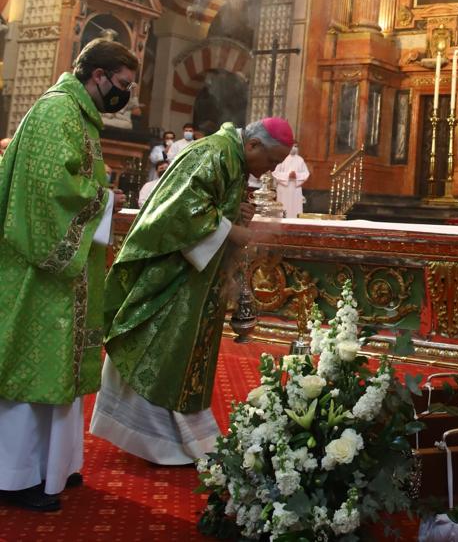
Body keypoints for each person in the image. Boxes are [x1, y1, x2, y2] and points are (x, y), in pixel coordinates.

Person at [90, 118, 293, 465]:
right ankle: (158, 439)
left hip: (195, 278)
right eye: (272, 161)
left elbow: (211, 205)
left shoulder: (233, 158)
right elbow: (181, 211)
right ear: (254, 145)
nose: (271, 170)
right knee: (161, 347)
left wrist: (236, 213)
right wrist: (232, 231)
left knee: (177, 353)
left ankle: (171, 437)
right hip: (172, 275)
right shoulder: (214, 153)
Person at [0, 38, 138, 510]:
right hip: (39, 271)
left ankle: (54, 467)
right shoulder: (56, 112)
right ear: (97, 75)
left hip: (64, 275)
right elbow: (49, 192)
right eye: (122, 85)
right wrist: (107, 200)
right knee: (32, 368)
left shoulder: (79, 116)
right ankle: (13, 477)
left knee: (57, 370)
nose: (125, 95)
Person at [272, 144, 310, 218]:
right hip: (283, 188)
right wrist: (287, 175)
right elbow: (275, 172)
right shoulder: (282, 158)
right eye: (292, 146)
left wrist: (297, 175)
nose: (294, 148)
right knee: (283, 208)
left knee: (295, 209)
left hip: (295, 189)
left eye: (296, 146)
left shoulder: (300, 160)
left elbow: (306, 173)